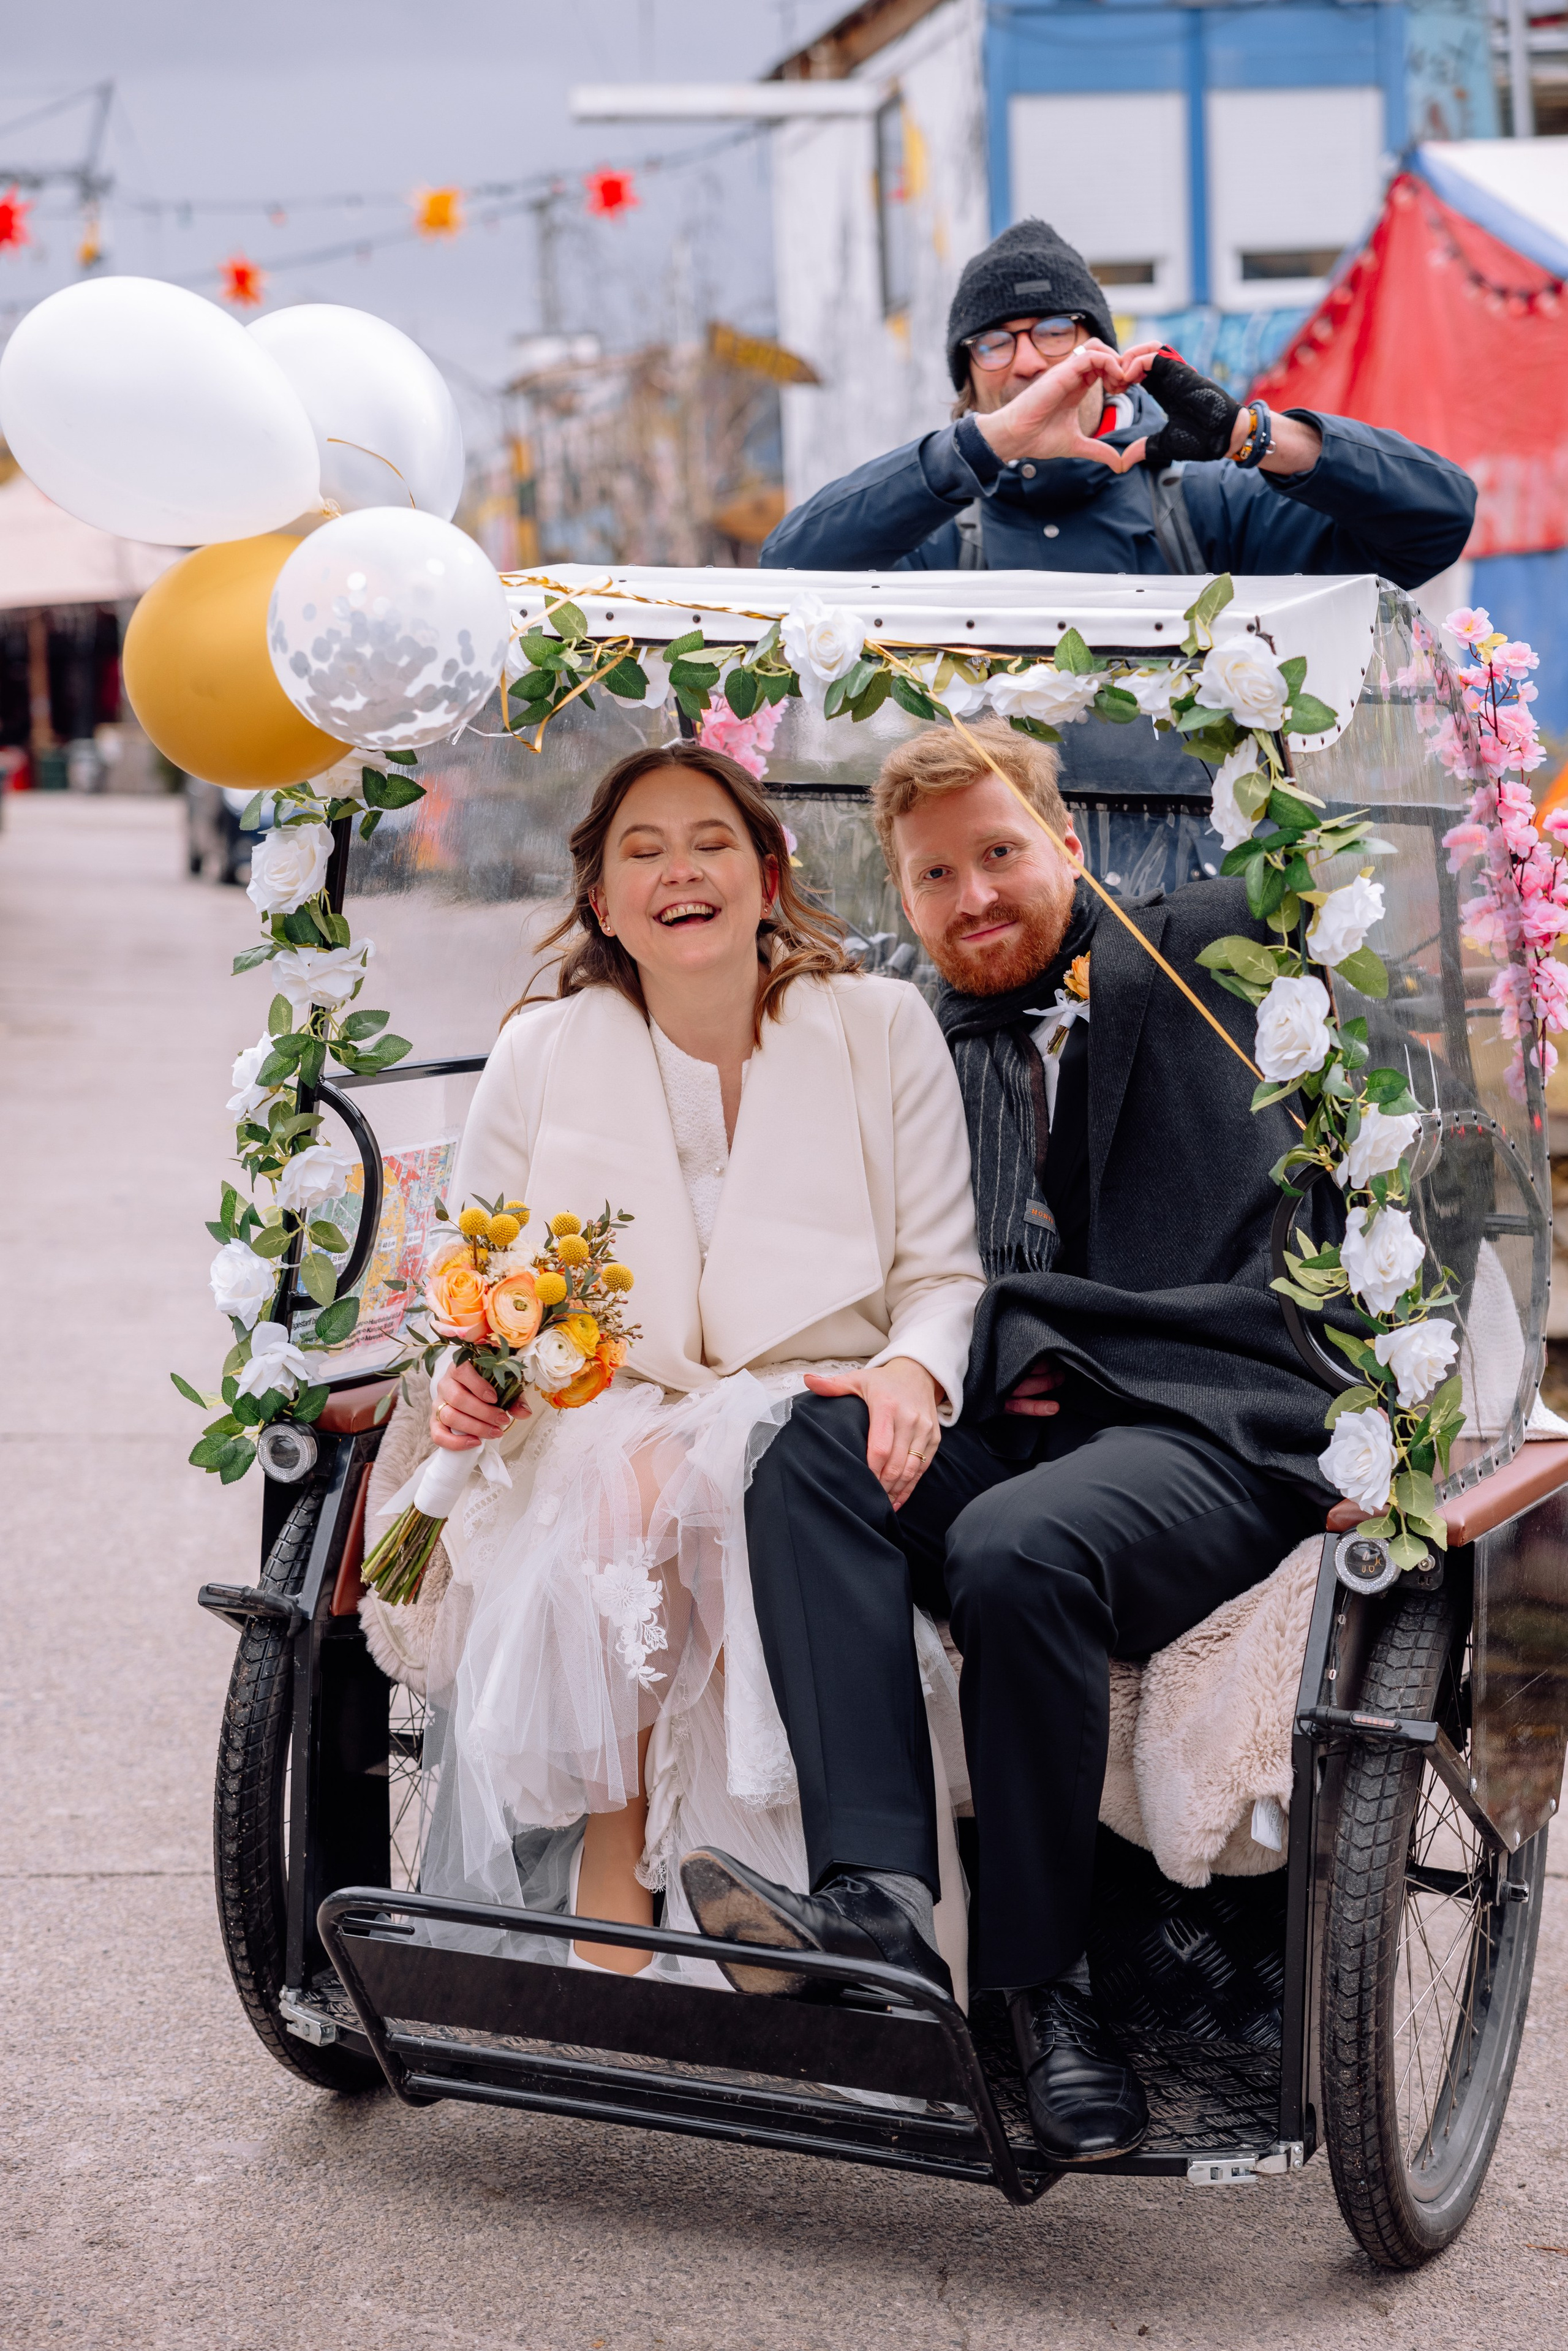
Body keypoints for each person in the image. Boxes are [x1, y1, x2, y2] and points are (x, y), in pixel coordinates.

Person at [680, 721, 1332, 2165]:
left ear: (1067, 846)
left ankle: (1047, 1990)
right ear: (898, 898)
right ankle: (876, 1900)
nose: (972, 897)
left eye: (999, 856)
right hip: (1000, 1424)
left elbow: (1346, 916)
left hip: (1196, 1416)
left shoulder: (1205, 946)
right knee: (803, 1444)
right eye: (932, 875)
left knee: (1014, 1546)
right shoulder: (893, 1025)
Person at [417, 739, 985, 1992]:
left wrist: (910, 1377)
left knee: (734, 1469)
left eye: (712, 841)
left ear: (769, 875)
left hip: (813, 1399)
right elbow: (476, 1276)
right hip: (598, 1408)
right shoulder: (542, 1050)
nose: (681, 869)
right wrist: (467, 1378)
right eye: (643, 850)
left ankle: (774, 1884)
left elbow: (942, 1275)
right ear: (603, 903)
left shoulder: (878, 1027)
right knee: (630, 1480)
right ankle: (619, 1844)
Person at [761, 216, 1476, 587]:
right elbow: (787, 574)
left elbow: (1435, 523)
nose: (1029, 363)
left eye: (1052, 331)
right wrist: (983, 449)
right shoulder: (931, 536)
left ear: (1102, 360)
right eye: (993, 343)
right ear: (968, 381)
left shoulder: (1207, 511)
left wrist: (1250, 434)